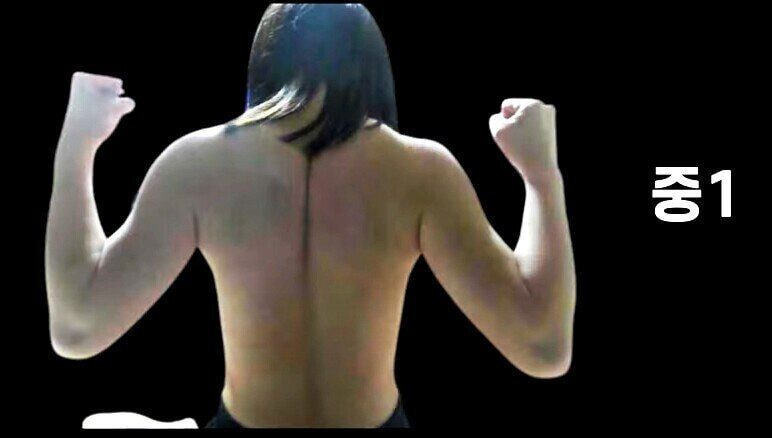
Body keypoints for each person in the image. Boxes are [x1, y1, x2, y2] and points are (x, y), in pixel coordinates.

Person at [45, 4, 576, 429]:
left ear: (265, 61)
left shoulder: (197, 163)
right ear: (371, 66)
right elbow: (544, 348)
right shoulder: (420, 171)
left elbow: (77, 329)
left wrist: (78, 142)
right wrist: (540, 174)